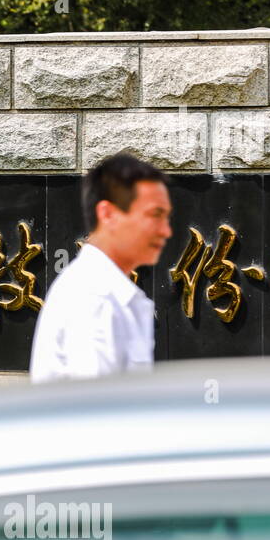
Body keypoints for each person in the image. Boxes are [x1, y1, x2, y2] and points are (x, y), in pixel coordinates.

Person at [29, 153, 172, 383]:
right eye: (155, 215)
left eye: (167, 218)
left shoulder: (109, 292)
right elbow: (96, 412)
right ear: (108, 215)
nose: (166, 231)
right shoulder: (94, 297)